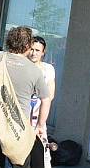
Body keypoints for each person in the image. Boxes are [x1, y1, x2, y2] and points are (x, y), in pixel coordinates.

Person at [0, 26, 50, 168]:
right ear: (27, 45)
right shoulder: (35, 71)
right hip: (18, 130)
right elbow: (46, 99)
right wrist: (40, 126)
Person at [28, 36, 55, 168]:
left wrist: (40, 122)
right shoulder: (23, 66)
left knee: (42, 156)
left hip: (38, 119)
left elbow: (50, 95)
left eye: (37, 50)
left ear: (43, 52)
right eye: (32, 49)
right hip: (21, 117)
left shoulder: (48, 69)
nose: (34, 53)